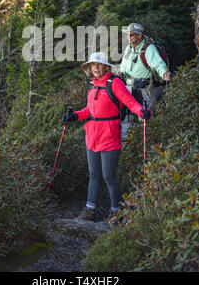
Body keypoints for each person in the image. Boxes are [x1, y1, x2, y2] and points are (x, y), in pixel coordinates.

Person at [62, 52, 151, 224]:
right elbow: (89, 111)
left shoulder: (114, 83)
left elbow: (130, 102)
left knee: (109, 176)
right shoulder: (93, 85)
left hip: (110, 136)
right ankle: (89, 210)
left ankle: (116, 212)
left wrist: (143, 112)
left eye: (99, 64)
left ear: (106, 67)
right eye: (92, 65)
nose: (95, 68)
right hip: (92, 136)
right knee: (94, 175)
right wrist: (74, 116)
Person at [120, 23, 171, 114]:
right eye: (127, 34)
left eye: (131, 35)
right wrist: (120, 73)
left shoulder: (149, 49)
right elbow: (123, 65)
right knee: (129, 117)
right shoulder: (128, 48)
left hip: (145, 89)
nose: (128, 37)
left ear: (139, 35)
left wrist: (164, 74)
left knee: (146, 117)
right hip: (129, 88)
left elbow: (158, 64)